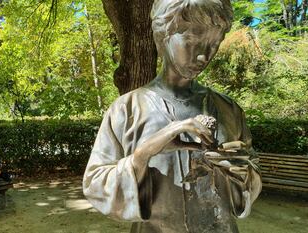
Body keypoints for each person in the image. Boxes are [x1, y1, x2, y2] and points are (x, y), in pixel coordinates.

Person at [82, 0, 262, 232]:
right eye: (192, 41)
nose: (204, 56)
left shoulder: (229, 110)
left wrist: (242, 172)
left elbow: (251, 173)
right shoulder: (126, 109)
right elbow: (95, 184)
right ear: (162, 37)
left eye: (214, 44)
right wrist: (141, 156)